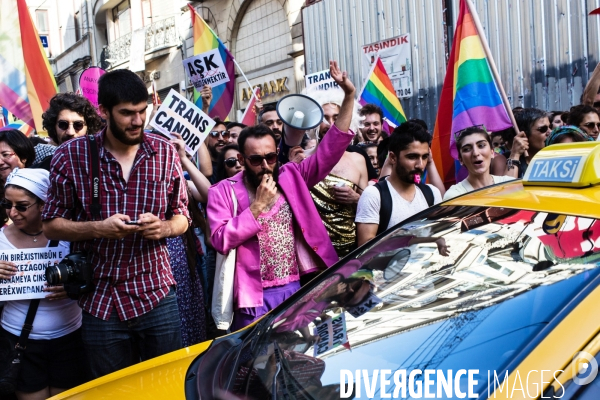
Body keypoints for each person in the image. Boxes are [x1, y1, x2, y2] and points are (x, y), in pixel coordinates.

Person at [41, 69, 190, 379]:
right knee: (112, 390)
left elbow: (183, 217)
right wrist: (98, 228)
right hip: (100, 299)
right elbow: (51, 225)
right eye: (127, 113)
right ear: (103, 111)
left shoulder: (164, 152)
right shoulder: (72, 155)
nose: (137, 121)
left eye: (142, 112)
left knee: (168, 384)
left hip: (156, 292)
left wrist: (164, 228)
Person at [207, 60, 356, 330]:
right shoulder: (222, 192)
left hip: (297, 288)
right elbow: (219, 240)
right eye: (255, 159)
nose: (265, 165)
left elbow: (330, 149)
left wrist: (349, 96)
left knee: (298, 356)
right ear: (241, 158)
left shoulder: (290, 175)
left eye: (271, 157)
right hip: (252, 297)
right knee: (258, 366)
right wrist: (256, 208)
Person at [0, 168, 86, 400]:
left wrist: (73, 289)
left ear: (43, 204)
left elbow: (93, 280)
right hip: (19, 341)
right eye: (7, 204)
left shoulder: (70, 236)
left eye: (22, 206)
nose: (12, 213)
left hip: (69, 339)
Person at [356, 121, 442, 246]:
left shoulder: (432, 194)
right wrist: (414, 240)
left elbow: (438, 236)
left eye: (424, 157)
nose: (420, 165)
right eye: (412, 157)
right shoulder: (374, 195)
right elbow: (365, 247)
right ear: (392, 157)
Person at [443, 126, 514, 201]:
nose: (476, 153)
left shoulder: (509, 185)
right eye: (467, 149)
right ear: (461, 160)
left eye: (481, 145)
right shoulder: (454, 196)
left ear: (492, 152)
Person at [40, 92, 103, 169]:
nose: (70, 132)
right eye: (63, 125)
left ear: (88, 128)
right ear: (54, 128)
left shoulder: (104, 164)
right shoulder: (42, 172)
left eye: (78, 125)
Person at [503, 108, 549, 178]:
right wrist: (515, 155)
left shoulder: (555, 157)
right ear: (524, 134)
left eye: (550, 127)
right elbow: (507, 187)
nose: (550, 132)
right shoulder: (502, 160)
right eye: (543, 129)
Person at [205, 117, 232, 183]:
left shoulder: (235, 163)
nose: (221, 138)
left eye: (224, 134)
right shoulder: (200, 167)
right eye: (215, 134)